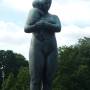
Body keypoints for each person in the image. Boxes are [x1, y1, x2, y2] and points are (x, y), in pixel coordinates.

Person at [24, 0, 61, 90]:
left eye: (49, 3)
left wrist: (44, 24)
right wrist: (38, 25)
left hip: (52, 49)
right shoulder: (34, 13)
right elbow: (26, 28)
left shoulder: (54, 17)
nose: (48, 5)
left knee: (48, 80)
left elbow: (58, 27)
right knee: (35, 79)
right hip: (37, 48)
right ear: (40, 2)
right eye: (45, 3)